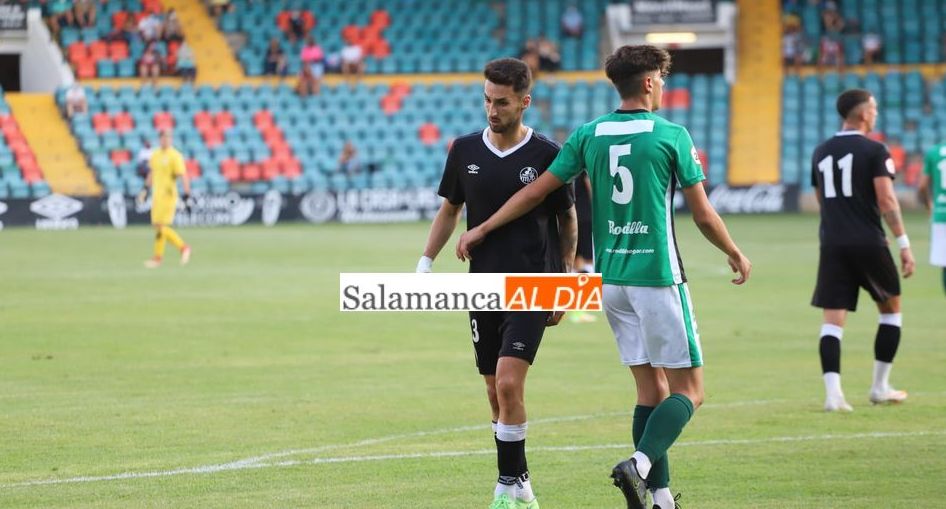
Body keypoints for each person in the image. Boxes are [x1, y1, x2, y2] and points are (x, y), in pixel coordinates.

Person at [457, 45, 752, 509]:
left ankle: (660, 500)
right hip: (656, 277)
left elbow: (534, 192)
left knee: (650, 390)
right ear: (651, 82)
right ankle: (638, 465)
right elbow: (703, 214)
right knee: (690, 392)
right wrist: (734, 251)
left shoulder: (588, 135)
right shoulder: (671, 134)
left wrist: (483, 227)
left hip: (610, 280)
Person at [418, 57, 577, 509]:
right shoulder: (464, 150)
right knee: (493, 389)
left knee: (509, 383)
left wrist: (565, 275)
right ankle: (518, 478)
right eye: (487, 100)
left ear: (525, 102)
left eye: (502, 102)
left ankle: (506, 489)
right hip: (481, 285)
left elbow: (567, 215)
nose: (492, 110)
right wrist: (425, 263)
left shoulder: (547, 154)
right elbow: (449, 210)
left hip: (534, 282)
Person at [809, 89, 914, 413]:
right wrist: (904, 243)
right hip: (869, 241)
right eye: (875, 108)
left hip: (832, 242)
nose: (876, 113)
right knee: (891, 310)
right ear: (864, 113)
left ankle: (833, 395)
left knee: (832, 321)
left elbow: (820, 199)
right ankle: (880, 387)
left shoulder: (821, 151)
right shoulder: (875, 150)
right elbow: (887, 200)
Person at [144, 129, 192, 268]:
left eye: (169, 138)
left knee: (161, 226)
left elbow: (183, 175)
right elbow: (152, 173)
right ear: (160, 139)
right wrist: (145, 189)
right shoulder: (155, 155)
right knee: (157, 226)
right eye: (164, 137)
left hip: (168, 195)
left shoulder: (175, 156)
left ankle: (183, 248)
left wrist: (187, 195)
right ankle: (157, 258)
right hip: (157, 194)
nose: (166, 140)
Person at [918, 143, 946, 295]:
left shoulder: (934, 152)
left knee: (945, 263)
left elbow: (922, 186)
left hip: (941, 214)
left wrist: (929, 205)